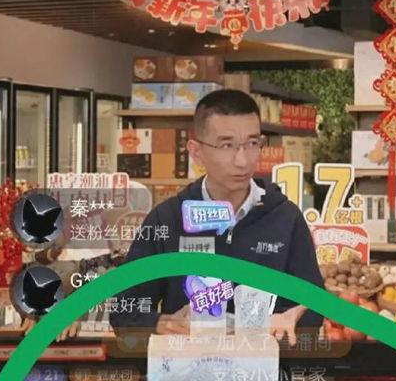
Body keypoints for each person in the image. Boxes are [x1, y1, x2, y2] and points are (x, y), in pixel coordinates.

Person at [110, 89, 323, 346]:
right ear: (196, 151)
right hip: (185, 366)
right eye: (227, 145)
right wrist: (159, 323)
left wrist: (293, 317)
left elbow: (315, 306)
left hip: (263, 367)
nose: (242, 160)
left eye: (252, 143)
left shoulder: (285, 217)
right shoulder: (167, 219)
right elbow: (124, 311)